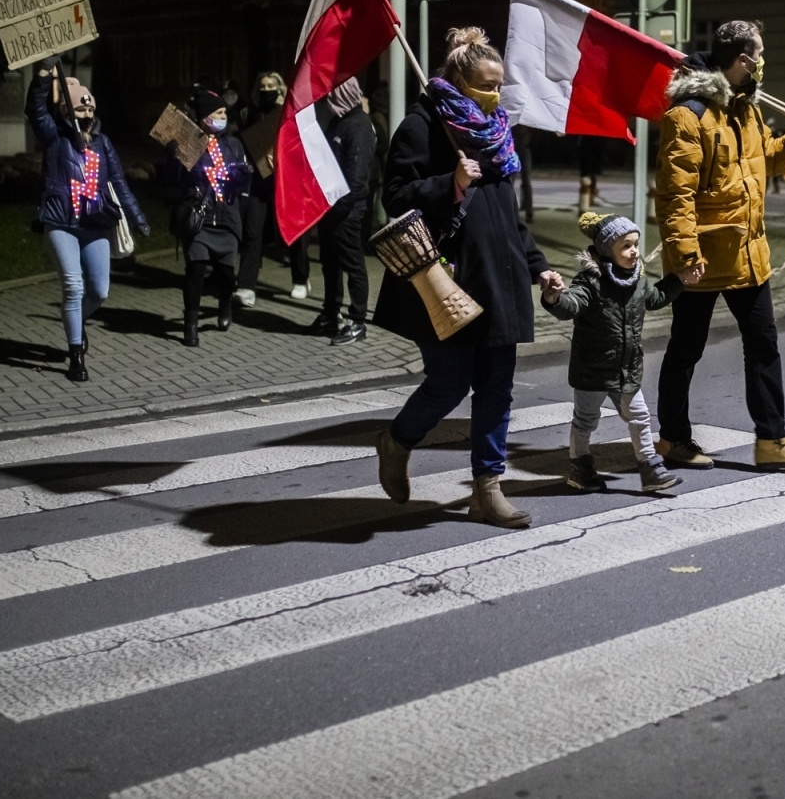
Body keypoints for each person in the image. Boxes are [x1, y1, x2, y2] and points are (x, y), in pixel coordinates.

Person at [371, 27, 565, 528]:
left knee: (497, 388)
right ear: (458, 80)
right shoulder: (423, 125)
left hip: (500, 279)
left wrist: (539, 266)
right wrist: (450, 183)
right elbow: (395, 196)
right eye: (486, 84)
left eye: (499, 85)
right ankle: (397, 440)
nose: (496, 94)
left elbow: (507, 216)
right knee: (449, 383)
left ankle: (487, 488)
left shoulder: (495, 130)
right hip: (448, 280)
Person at [655, 19, 785, 470]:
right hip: (703, 260)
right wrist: (685, 256)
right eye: (760, 54)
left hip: (749, 256)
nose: (764, 61)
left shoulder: (746, 108)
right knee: (685, 350)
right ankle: (673, 439)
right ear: (744, 60)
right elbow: (675, 196)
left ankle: (772, 439)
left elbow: (766, 160)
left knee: (764, 343)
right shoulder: (688, 115)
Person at [543, 211, 702, 493]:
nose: (634, 252)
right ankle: (580, 468)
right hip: (593, 370)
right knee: (585, 421)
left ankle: (651, 469)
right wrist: (554, 297)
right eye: (626, 246)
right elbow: (571, 306)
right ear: (607, 250)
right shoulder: (590, 281)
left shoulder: (637, 279)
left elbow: (655, 298)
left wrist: (679, 279)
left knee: (640, 417)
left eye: (636, 245)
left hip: (627, 369)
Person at [26, 61, 149, 383]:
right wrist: (43, 77)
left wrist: (137, 217)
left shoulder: (102, 142)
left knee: (99, 291)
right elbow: (35, 110)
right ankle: (76, 353)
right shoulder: (54, 136)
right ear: (67, 110)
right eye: (80, 108)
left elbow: (118, 182)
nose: (87, 112)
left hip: (96, 223)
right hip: (60, 221)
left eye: (90, 107)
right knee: (73, 286)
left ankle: (75, 320)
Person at [176, 85, 252, 347]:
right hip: (201, 218)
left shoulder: (233, 144)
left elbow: (243, 183)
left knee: (226, 275)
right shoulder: (190, 143)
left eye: (224, 113)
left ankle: (225, 303)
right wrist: (176, 156)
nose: (222, 117)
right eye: (217, 113)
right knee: (195, 271)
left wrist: (243, 175)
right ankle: (190, 325)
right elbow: (176, 180)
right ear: (203, 118)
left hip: (227, 218)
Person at [236, 72, 311, 307]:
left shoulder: (288, 113)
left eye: (271, 86)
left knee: (294, 230)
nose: (266, 90)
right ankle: (246, 286)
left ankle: (301, 278)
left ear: (280, 89)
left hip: (286, 180)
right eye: (263, 86)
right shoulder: (250, 114)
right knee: (253, 231)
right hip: (259, 181)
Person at [311, 77, 377, 345]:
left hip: (346, 210)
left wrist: (339, 209)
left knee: (353, 264)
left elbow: (357, 179)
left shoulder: (358, 125)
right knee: (330, 263)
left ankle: (358, 322)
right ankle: (330, 313)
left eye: (333, 94)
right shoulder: (339, 122)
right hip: (331, 208)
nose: (328, 99)